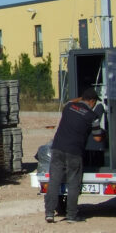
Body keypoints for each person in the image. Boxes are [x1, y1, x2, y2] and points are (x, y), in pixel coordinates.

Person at [44, 87, 102, 224]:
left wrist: (81, 98)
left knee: (54, 181)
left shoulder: (69, 107)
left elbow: (70, 101)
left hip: (57, 148)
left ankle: (49, 214)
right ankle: (71, 215)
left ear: (82, 99)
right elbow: (98, 139)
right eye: (94, 103)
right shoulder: (92, 117)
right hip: (74, 152)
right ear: (92, 101)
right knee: (73, 183)